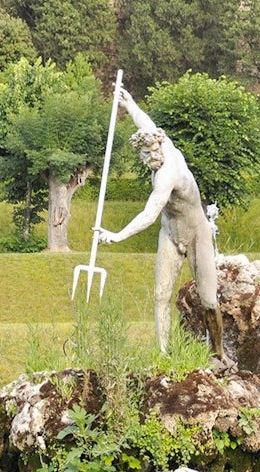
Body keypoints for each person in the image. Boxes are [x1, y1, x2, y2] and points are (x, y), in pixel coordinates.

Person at [95, 87, 226, 362]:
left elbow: (150, 213)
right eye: (141, 155)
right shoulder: (157, 141)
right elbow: (146, 123)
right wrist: (130, 105)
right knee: (160, 295)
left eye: (147, 154)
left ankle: (219, 354)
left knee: (209, 301)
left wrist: (118, 236)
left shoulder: (169, 173)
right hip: (170, 232)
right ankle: (163, 355)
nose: (145, 161)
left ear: (158, 147)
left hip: (195, 233)